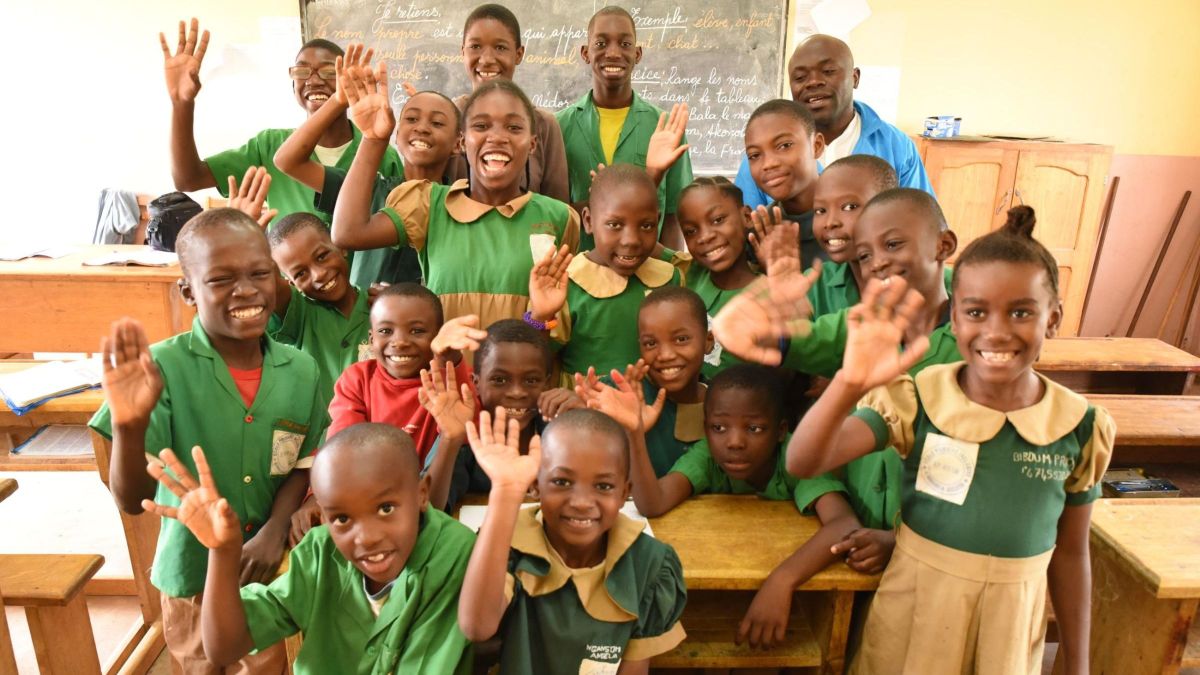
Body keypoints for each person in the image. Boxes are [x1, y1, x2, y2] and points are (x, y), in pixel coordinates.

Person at [788, 207, 1113, 675]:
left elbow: (1072, 550)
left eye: (1021, 311)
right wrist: (849, 383)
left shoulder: (1080, 425)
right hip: (917, 608)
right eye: (976, 312)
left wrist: (1077, 659)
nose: (997, 331)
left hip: (1011, 622)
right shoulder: (920, 396)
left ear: (1054, 318)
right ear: (954, 320)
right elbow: (804, 461)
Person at [89, 209, 328, 672]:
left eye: (260, 273)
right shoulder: (161, 368)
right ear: (188, 291)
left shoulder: (301, 369)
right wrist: (129, 427)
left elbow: (302, 462)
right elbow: (132, 498)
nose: (246, 289)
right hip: (192, 573)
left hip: (266, 571)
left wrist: (277, 528)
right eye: (220, 279)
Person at [140, 424, 476, 673]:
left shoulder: (456, 552)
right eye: (342, 518)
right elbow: (224, 647)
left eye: (386, 509)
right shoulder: (318, 554)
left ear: (421, 493)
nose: (368, 537)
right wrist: (223, 553)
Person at [582, 364, 865, 648]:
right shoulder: (708, 456)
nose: (735, 442)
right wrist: (634, 433)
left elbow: (844, 524)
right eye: (719, 428)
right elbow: (653, 503)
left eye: (754, 428)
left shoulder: (796, 458)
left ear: (780, 431)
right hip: (723, 589)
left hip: (792, 590)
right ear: (706, 429)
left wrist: (782, 581)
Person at [330, 67, 579, 330]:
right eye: (481, 126)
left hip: (522, 370)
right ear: (461, 142)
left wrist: (537, 320)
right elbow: (348, 233)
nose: (496, 137)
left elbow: (554, 325)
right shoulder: (430, 204)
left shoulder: (557, 218)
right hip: (444, 371)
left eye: (514, 127)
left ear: (532, 143)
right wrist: (373, 139)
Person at [458, 408, 688, 672]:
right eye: (562, 481)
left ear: (625, 493)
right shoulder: (509, 547)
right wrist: (506, 491)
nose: (581, 502)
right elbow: (476, 627)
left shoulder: (648, 566)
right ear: (535, 485)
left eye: (603, 486)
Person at [161, 19, 402, 227]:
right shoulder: (269, 145)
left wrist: (341, 100)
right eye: (301, 72)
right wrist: (181, 104)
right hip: (287, 281)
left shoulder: (378, 151)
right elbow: (188, 179)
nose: (313, 81)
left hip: (357, 282)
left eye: (329, 73)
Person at [274, 44, 463, 286]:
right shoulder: (369, 190)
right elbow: (288, 161)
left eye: (437, 123)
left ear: (459, 143)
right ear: (396, 132)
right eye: (411, 119)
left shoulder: (459, 203)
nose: (422, 127)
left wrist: (403, 299)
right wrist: (339, 101)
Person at [734, 34, 933, 210]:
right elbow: (746, 231)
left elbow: (920, 220)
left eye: (828, 71)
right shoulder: (764, 157)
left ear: (854, 78)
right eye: (800, 77)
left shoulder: (896, 145)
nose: (813, 82)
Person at [557, 6, 694, 250]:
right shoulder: (559, 127)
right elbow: (554, 212)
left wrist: (670, 271)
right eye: (601, 43)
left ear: (638, 53)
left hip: (646, 270)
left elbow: (674, 214)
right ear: (585, 53)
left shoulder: (664, 129)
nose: (612, 53)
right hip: (579, 271)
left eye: (624, 44)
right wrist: (601, 196)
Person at [528, 164, 681, 379]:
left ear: (658, 221)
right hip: (585, 406)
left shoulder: (670, 278)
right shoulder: (567, 282)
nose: (631, 241)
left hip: (652, 406)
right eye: (615, 225)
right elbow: (535, 358)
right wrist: (540, 316)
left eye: (646, 226)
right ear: (588, 221)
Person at [421, 319, 583, 512]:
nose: (516, 392)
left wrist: (584, 424)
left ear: (547, 384)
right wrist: (450, 438)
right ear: (476, 384)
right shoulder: (465, 433)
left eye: (531, 380)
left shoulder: (560, 427)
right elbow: (427, 511)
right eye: (499, 380)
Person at [326, 284, 485, 460]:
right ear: (372, 339)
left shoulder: (454, 375)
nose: (400, 342)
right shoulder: (357, 379)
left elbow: (468, 442)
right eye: (386, 331)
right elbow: (342, 451)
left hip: (434, 484)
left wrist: (449, 359)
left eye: (417, 331)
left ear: (438, 335)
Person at [577, 286, 713, 476]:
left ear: (708, 341)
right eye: (651, 343)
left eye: (681, 339)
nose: (665, 355)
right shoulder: (617, 395)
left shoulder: (724, 402)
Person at [447, 4, 570, 203]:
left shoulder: (543, 124)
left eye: (500, 47)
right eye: (475, 46)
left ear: (519, 54)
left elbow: (557, 211)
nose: (486, 59)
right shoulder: (448, 117)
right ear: (463, 52)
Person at [266, 212, 371, 407]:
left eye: (322, 256)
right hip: (329, 437)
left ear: (340, 247)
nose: (319, 274)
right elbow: (266, 284)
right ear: (292, 283)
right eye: (301, 273)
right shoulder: (300, 315)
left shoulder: (382, 308)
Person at [677, 177, 761, 377]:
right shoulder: (690, 273)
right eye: (691, 231)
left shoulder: (768, 295)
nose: (705, 236)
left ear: (747, 216)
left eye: (717, 220)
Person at [808, 155, 899, 317]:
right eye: (820, 210)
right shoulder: (813, 284)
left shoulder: (934, 279)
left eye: (849, 207)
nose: (830, 222)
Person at [743, 100, 827, 270]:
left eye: (784, 146)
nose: (769, 164)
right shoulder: (759, 234)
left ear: (816, 146)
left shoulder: (852, 218)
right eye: (754, 155)